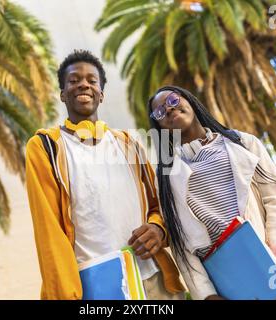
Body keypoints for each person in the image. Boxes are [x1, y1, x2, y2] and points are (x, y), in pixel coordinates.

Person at [25, 50, 185, 300]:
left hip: (153, 279)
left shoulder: (130, 143)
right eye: (74, 80)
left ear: (101, 94)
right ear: (63, 94)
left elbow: (160, 204)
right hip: (95, 286)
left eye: (92, 80)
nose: (83, 84)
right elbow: (49, 229)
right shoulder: (45, 146)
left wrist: (157, 229)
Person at [147, 85, 276, 300]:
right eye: (160, 112)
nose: (169, 109)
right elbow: (181, 243)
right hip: (230, 286)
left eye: (173, 100)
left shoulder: (244, 143)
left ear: (188, 100)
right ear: (159, 126)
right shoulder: (165, 177)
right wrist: (207, 295)